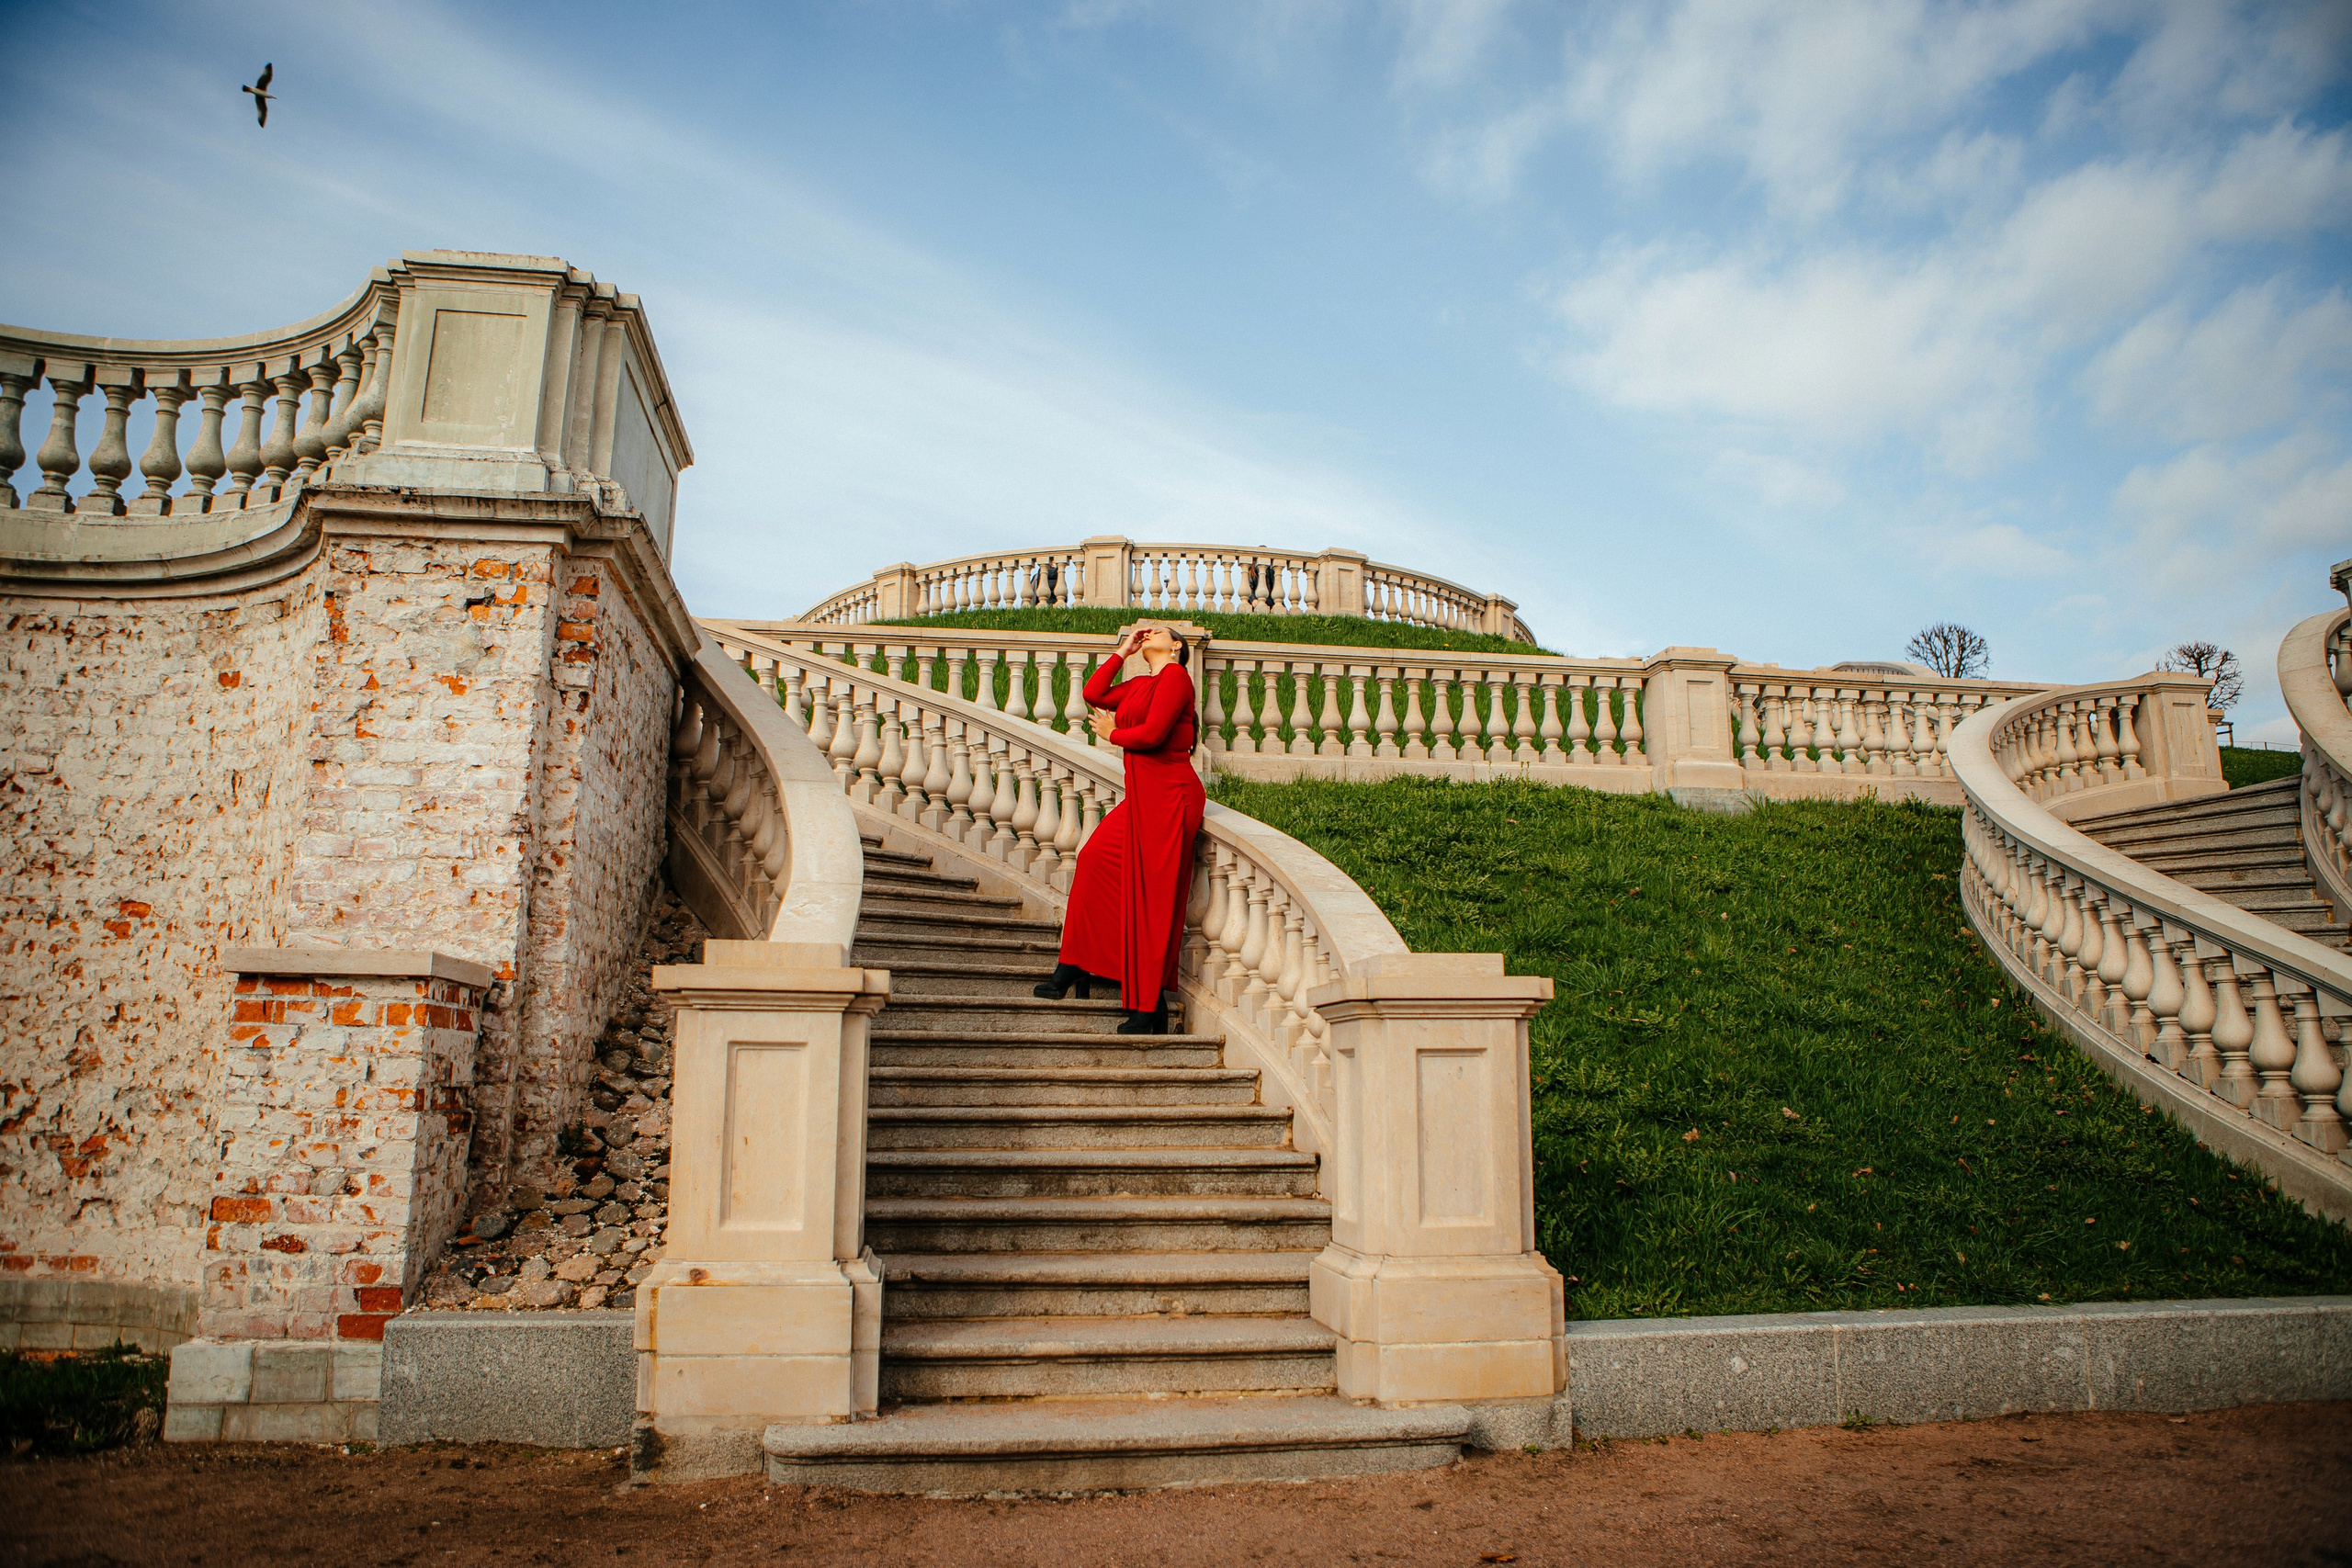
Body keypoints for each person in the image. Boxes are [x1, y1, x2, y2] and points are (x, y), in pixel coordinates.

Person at [1034, 622, 1204, 1034]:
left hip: (1170, 796)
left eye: (1157, 631)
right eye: (1142, 633)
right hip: (1142, 798)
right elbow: (1093, 694)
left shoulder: (1177, 677)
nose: (1148, 635)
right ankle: (1075, 963)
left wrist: (1114, 735)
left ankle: (1150, 1008)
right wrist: (1122, 652)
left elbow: (1152, 734)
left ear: (1176, 646)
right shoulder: (1142, 684)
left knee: (1154, 898)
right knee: (1093, 860)